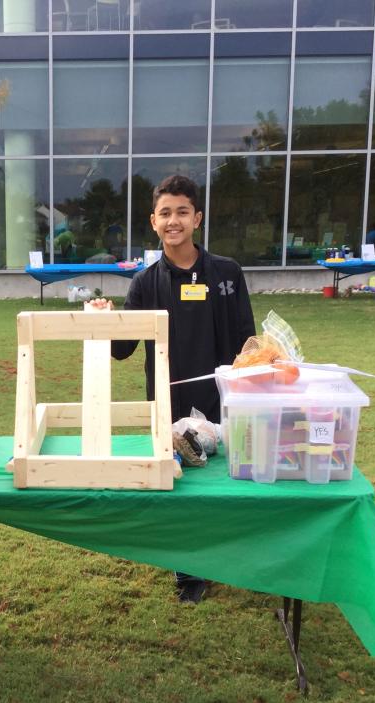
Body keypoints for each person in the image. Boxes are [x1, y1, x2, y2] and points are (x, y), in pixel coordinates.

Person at [111, 175, 256, 604]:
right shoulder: (145, 284)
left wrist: (247, 384)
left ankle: (228, 555)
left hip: (220, 400)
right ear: (153, 222)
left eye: (182, 212)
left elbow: (247, 341)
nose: (173, 221)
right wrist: (104, 321)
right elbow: (121, 351)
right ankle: (189, 570)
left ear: (197, 218)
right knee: (179, 485)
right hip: (167, 403)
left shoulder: (227, 274)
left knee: (221, 483)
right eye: (165, 213)